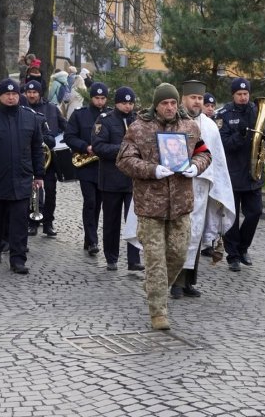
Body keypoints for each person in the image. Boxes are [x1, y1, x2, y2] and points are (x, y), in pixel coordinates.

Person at [116, 83, 212, 330]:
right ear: (156, 105)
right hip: (151, 206)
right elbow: (124, 160)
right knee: (155, 259)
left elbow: (204, 153)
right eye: (164, 103)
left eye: (172, 103)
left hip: (181, 204)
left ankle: (154, 285)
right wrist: (151, 170)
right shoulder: (138, 129)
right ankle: (158, 312)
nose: (169, 107)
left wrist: (196, 166)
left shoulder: (189, 127)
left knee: (179, 254)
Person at [0, 79, 46, 275]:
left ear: (18, 95)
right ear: (0, 96)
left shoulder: (30, 118)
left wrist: (39, 174)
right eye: (7, 94)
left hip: (22, 177)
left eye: (14, 94)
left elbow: (37, 149)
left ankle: (18, 259)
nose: (11, 97)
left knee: (20, 220)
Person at [170, 80, 235, 299]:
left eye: (200, 98)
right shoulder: (173, 121)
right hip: (177, 187)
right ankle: (175, 282)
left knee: (196, 233)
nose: (197, 102)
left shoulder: (209, 126)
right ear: (183, 99)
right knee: (179, 234)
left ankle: (189, 281)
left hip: (201, 187)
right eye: (193, 98)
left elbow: (216, 159)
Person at [216, 77, 265, 272]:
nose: (243, 97)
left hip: (253, 174)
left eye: (245, 94)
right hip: (232, 174)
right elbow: (222, 144)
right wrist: (239, 135)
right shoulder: (224, 115)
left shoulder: (259, 110)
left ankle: (243, 248)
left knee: (255, 212)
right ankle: (232, 255)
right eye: (239, 94)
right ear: (233, 95)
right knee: (231, 217)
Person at [90, 86, 144, 272]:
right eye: (124, 103)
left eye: (130, 103)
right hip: (111, 179)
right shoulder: (104, 120)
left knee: (134, 221)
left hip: (133, 181)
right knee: (111, 221)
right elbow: (98, 146)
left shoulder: (138, 121)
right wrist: (123, 151)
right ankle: (111, 257)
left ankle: (134, 259)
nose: (128, 107)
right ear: (116, 103)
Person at [64, 82, 109, 256]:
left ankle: (89, 238)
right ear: (91, 98)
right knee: (90, 202)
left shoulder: (111, 115)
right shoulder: (79, 115)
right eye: (97, 98)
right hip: (87, 166)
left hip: (105, 167)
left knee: (99, 204)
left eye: (103, 98)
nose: (100, 102)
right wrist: (85, 147)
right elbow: (69, 136)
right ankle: (92, 241)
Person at [24, 80, 67, 237]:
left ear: (39, 93)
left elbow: (66, 127)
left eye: (34, 92)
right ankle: (32, 222)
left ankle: (48, 223)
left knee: (50, 191)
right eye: (29, 92)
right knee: (33, 192)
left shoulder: (52, 108)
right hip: (28, 159)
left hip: (48, 160)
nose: (32, 95)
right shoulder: (22, 109)